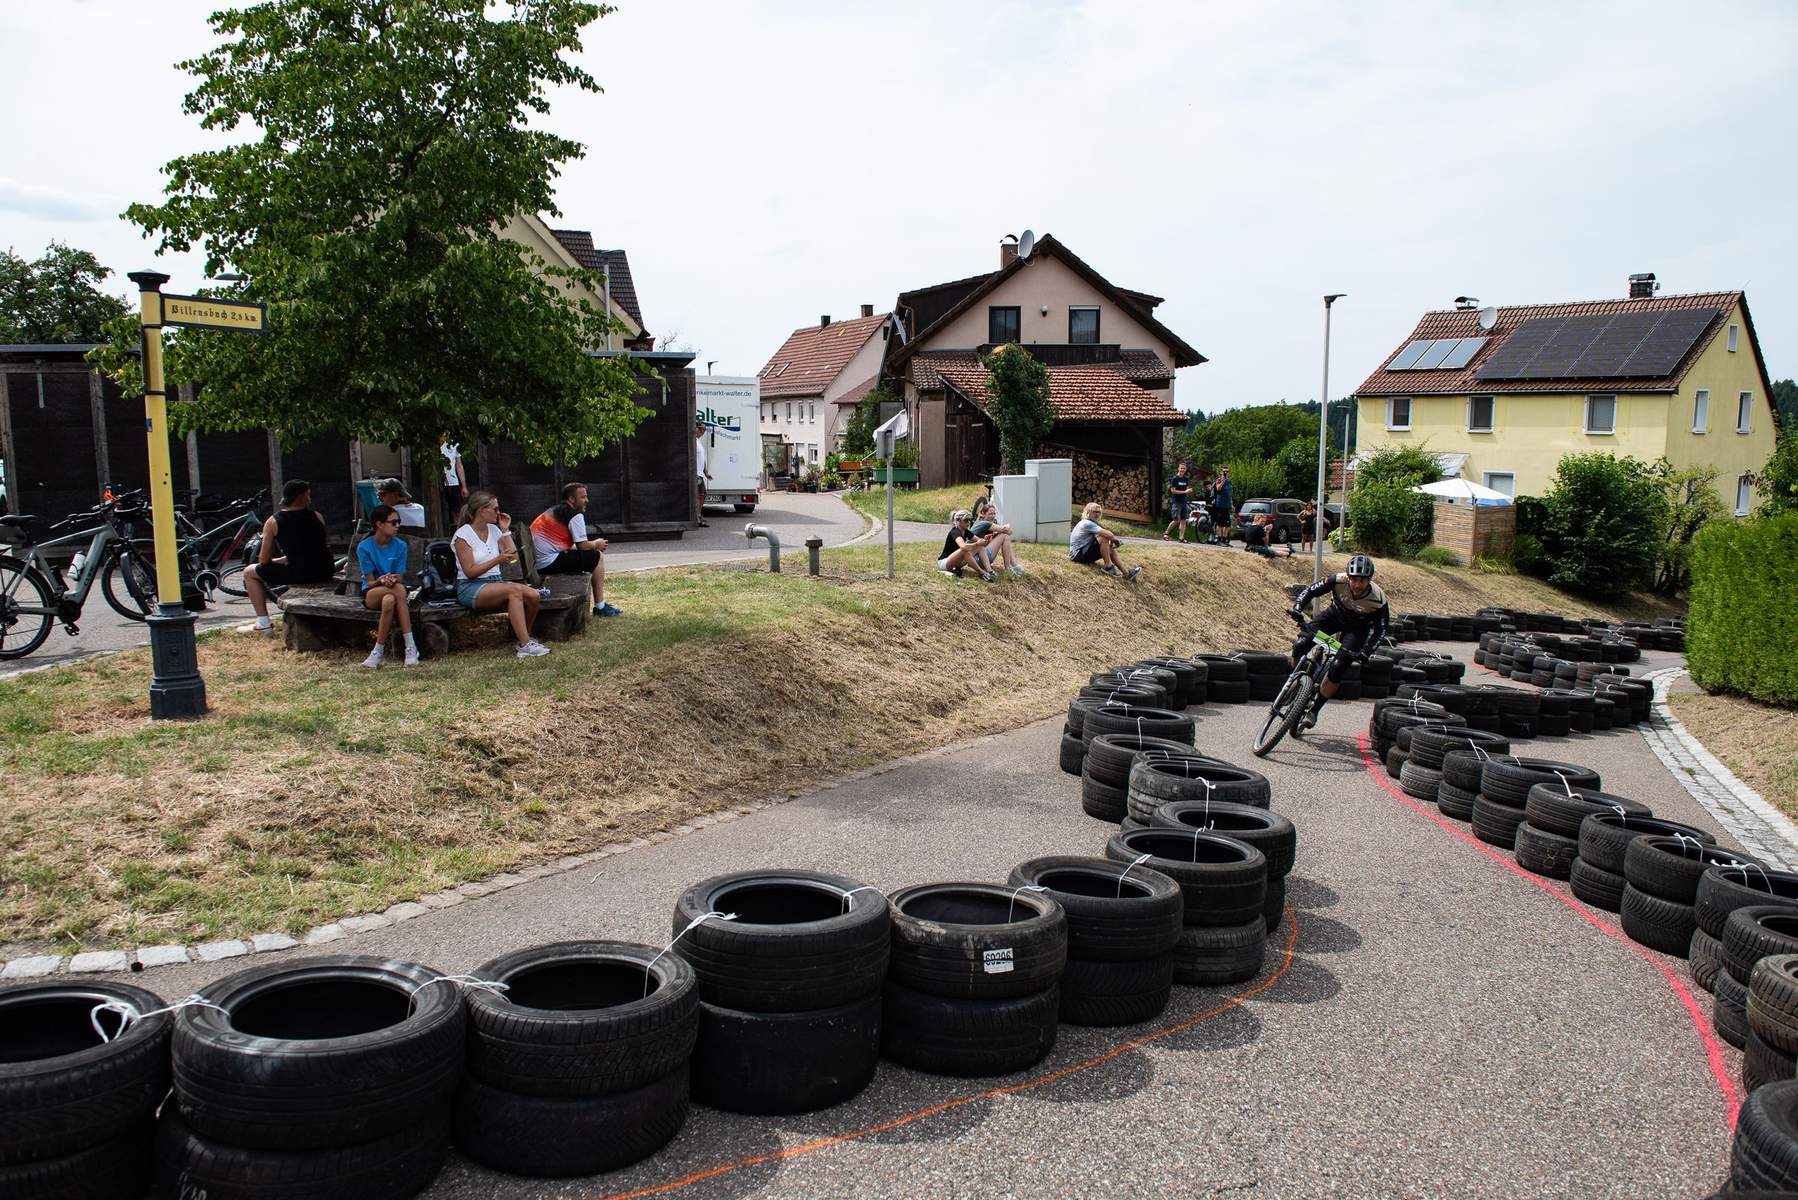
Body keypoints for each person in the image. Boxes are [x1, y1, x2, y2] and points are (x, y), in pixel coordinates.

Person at [1288, 554, 1390, 730]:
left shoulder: (1378, 599)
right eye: (1353, 579)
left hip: (1356, 630)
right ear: (1348, 576)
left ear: (1369, 580)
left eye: (1362, 581)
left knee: (1338, 666)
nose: (1357, 585)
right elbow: (1310, 590)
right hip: (1333, 617)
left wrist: (1366, 651)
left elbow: (1381, 630)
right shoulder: (1337, 580)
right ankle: (1297, 682)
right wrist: (1298, 608)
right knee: (1301, 644)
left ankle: (1314, 711)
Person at [453, 491, 550, 658]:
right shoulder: (463, 536)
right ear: (482, 511)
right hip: (471, 586)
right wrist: (497, 560)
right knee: (514, 591)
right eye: (495, 509)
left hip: (495, 583)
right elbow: (470, 572)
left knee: (534, 595)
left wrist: (505, 530)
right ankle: (526, 645)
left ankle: (521, 637)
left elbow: (513, 558)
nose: (499, 513)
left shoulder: (494, 530)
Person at [244, 479, 335, 633]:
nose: (310, 499)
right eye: (308, 495)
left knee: (249, 572)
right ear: (300, 497)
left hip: (301, 573)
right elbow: (316, 547)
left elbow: (264, 560)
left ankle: (263, 623)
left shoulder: (273, 521)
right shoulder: (317, 516)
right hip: (326, 570)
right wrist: (285, 559)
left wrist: (277, 560)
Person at [530, 481, 621, 618]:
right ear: (571, 499)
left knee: (589, 556)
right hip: (547, 563)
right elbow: (583, 546)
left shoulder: (555, 511)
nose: (587, 500)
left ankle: (599, 605)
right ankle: (600, 607)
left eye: (586, 496)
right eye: (583, 497)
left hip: (537, 562)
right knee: (597, 557)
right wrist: (597, 543)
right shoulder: (575, 515)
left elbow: (563, 545)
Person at [356, 505, 418, 668]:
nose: (398, 526)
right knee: (399, 590)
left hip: (394, 590)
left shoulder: (400, 546)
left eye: (399, 522)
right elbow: (369, 582)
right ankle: (411, 646)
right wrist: (381, 580)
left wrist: (391, 579)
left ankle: (378, 651)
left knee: (389, 600)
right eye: (393, 522)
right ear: (379, 524)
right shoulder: (365, 547)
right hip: (372, 592)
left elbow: (400, 576)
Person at [1068, 502, 1141, 580]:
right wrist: (1114, 540)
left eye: (1099, 512)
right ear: (1088, 513)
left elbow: (1103, 537)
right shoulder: (1087, 523)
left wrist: (1111, 540)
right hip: (1078, 555)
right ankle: (1108, 567)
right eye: (1094, 512)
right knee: (1104, 537)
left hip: (1081, 553)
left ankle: (1127, 574)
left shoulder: (1091, 523)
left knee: (1110, 548)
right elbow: (1108, 534)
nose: (1097, 514)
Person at [939, 510, 996, 582]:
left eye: (970, 520)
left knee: (980, 547)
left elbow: (980, 543)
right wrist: (976, 544)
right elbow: (963, 546)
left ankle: (989, 571)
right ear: (959, 521)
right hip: (945, 563)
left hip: (956, 562)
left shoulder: (966, 531)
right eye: (966, 520)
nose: (968, 522)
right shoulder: (955, 532)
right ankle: (981, 573)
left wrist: (985, 540)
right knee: (964, 550)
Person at [970, 497, 1022, 575]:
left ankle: (1013, 565)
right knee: (1004, 535)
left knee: (1004, 535)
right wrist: (1006, 526)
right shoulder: (984, 523)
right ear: (983, 514)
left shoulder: (981, 522)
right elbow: (1009, 531)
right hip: (978, 558)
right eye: (990, 514)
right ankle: (1009, 567)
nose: (993, 516)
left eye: (994, 513)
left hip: (978, 559)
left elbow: (1008, 531)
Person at [1163, 461, 1194, 542]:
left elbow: (1186, 489)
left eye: (1184, 468)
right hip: (1176, 502)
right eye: (1181, 468)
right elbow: (1173, 491)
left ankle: (1181, 538)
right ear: (1178, 469)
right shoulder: (1175, 479)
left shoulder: (1186, 479)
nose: (1182, 470)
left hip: (1184, 502)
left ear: (1186, 469)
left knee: (1183, 520)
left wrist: (1189, 490)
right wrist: (1185, 492)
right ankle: (1166, 533)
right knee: (1176, 520)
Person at [441, 442, 468, 521]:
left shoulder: (455, 443)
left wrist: (464, 486)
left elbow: (459, 464)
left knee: (457, 511)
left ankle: (457, 526)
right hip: (439, 483)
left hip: (453, 482)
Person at [694, 420, 712, 528]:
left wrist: (706, 473)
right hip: (695, 474)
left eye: (705, 430)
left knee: (702, 495)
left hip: (700, 474)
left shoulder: (698, 442)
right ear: (695, 428)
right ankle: (696, 517)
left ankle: (698, 516)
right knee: (699, 496)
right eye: (701, 429)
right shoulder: (692, 441)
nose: (703, 431)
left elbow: (702, 459)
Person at [1210, 468, 1233, 545]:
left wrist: (1232, 504)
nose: (1226, 473)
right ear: (1221, 473)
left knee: (1227, 525)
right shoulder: (1219, 480)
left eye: (1227, 472)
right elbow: (1218, 488)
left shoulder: (1229, 482)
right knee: (1220, 524)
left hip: (1227, 505)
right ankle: (1219, 540)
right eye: (1224, 472)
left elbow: (1230, 494)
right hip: (1220, 505)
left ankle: (1224, 540)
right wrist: (1223, 481)